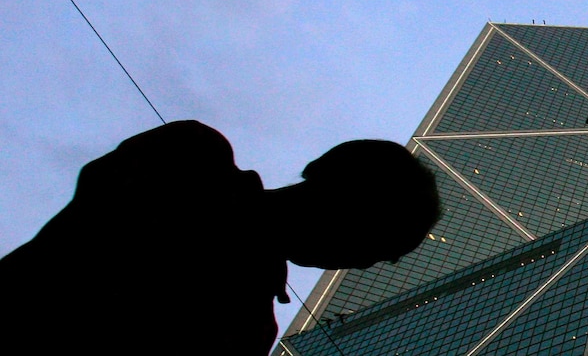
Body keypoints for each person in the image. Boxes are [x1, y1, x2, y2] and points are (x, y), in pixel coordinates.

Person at [0, 120, 441, 355]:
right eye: (376, 241)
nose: (361, 264)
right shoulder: (189, 157)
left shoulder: (253, 327)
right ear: (338, 187)